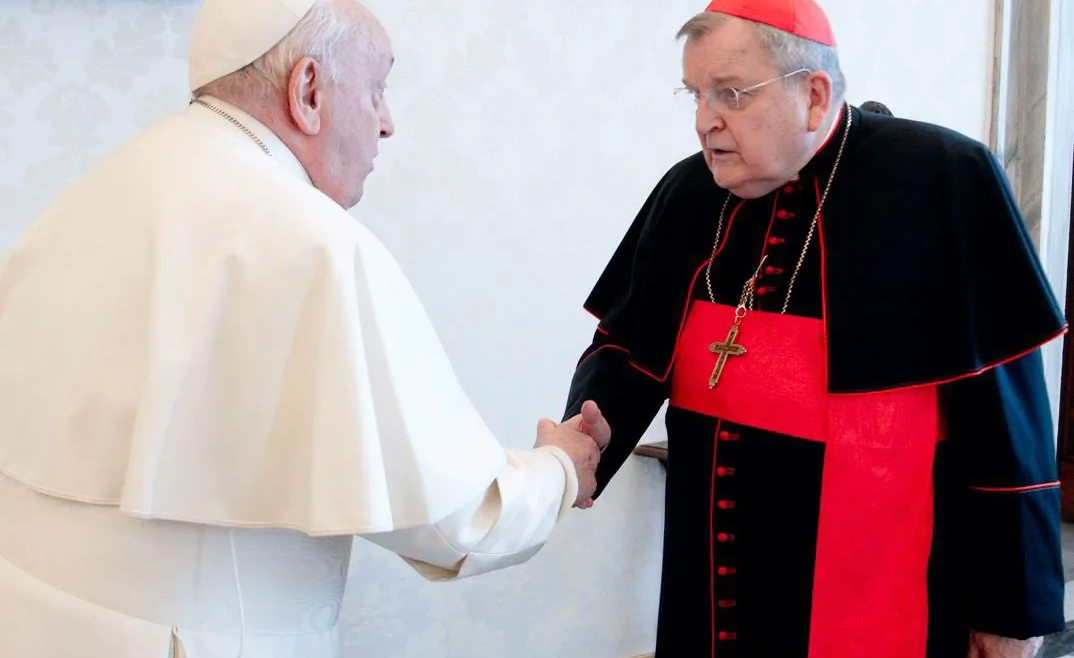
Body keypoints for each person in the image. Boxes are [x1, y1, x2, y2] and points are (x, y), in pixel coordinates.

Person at [0, 0, 610, 656]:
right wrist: (561, 469)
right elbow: (461, 522)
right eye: (377, 89)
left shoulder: (104, 184)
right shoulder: (310, 242)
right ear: (308, 90)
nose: (387, 122)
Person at [559, 1, 1066, 657]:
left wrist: (1007, 609)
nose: (704, 120)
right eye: (696, 94)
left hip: (883, 577)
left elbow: (1007, 422)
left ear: (813, 94)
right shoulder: (689, 192)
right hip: (711, 578)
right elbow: (626, 345)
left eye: (731, 94)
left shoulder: (942, 179)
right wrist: (585, 438)